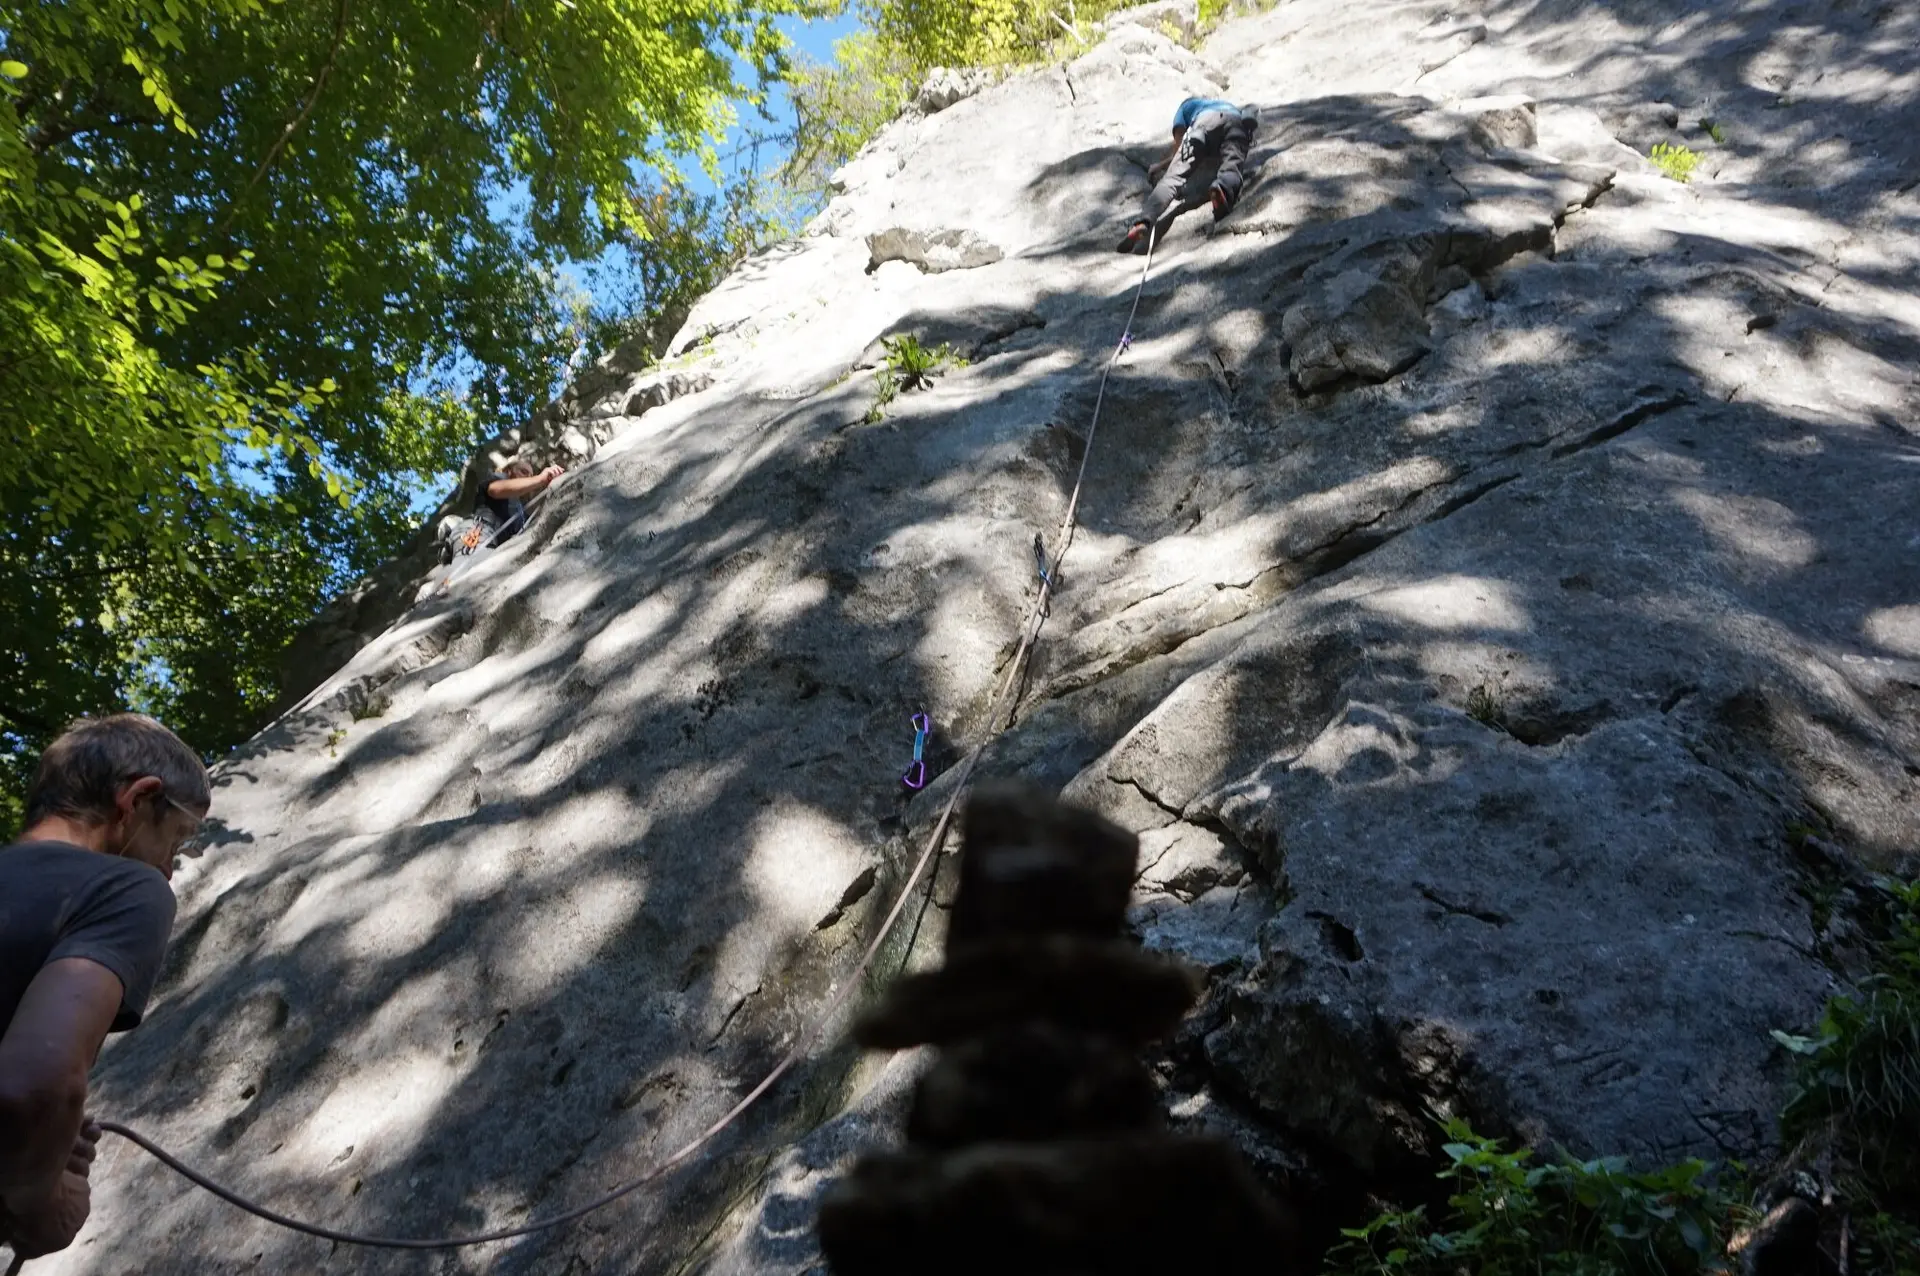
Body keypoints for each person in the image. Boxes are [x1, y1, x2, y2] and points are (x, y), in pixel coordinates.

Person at [0, 715, 209, 1261]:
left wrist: (49, 1142)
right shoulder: (125, 886)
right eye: (177, 840)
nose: (168, 869)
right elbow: (33, 1084)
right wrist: (43, 1200)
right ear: (139, 800)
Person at [1117, 96, 1259, 253]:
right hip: (1236, 123)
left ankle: (1143, 222)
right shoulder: (1226, 105)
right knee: (1232, 167)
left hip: (1203, 126)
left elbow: (1180, 146)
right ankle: (1222, 188)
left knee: (1172, 179)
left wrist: (1161, 165)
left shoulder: (1185, 106)